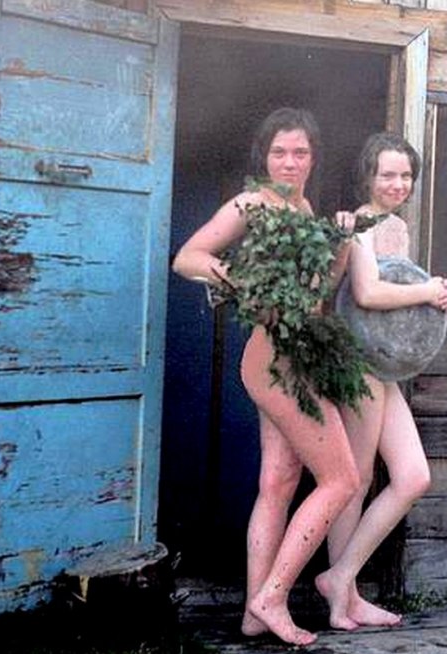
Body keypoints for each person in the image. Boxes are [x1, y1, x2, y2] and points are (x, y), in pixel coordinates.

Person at [171, 107, 361, 646]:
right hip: (276, 362)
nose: (290, 162)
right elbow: (188, 257)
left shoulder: (303, 208)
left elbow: (319, 297)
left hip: (300, 356)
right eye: (280, 152)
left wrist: (342, 244)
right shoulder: (251, 204)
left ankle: (255, 615)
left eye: (300, 152)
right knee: (342, 480)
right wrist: (242, 282)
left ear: (313, 158)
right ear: (265, 156)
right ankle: (274, 595)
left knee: (277, 483)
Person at [315, 132, 447, 630]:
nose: (397, 184)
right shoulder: (360, 224)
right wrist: (426, 290)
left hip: (385, 366)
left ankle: (340, 579)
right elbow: (368, 293)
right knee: (354, 480)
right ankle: (344, 599)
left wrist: (442, 296)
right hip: (357, 364)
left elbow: (404, 292)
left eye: (405, 176)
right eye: (387, 175)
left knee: (413, 476)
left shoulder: (398, 227)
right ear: (368, 177)